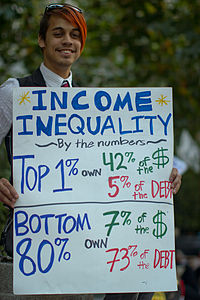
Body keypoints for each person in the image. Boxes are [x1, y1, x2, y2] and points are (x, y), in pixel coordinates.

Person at [0, 3, 182, 300]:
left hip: (89, 234)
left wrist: (162, 178)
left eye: (75, 35)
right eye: (58, 33)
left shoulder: (95, 106)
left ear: (81, 45)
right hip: (37, 235)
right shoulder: (15, 92)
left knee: (140, 271)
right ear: (42, 40)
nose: (67, 41)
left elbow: (122, 168)